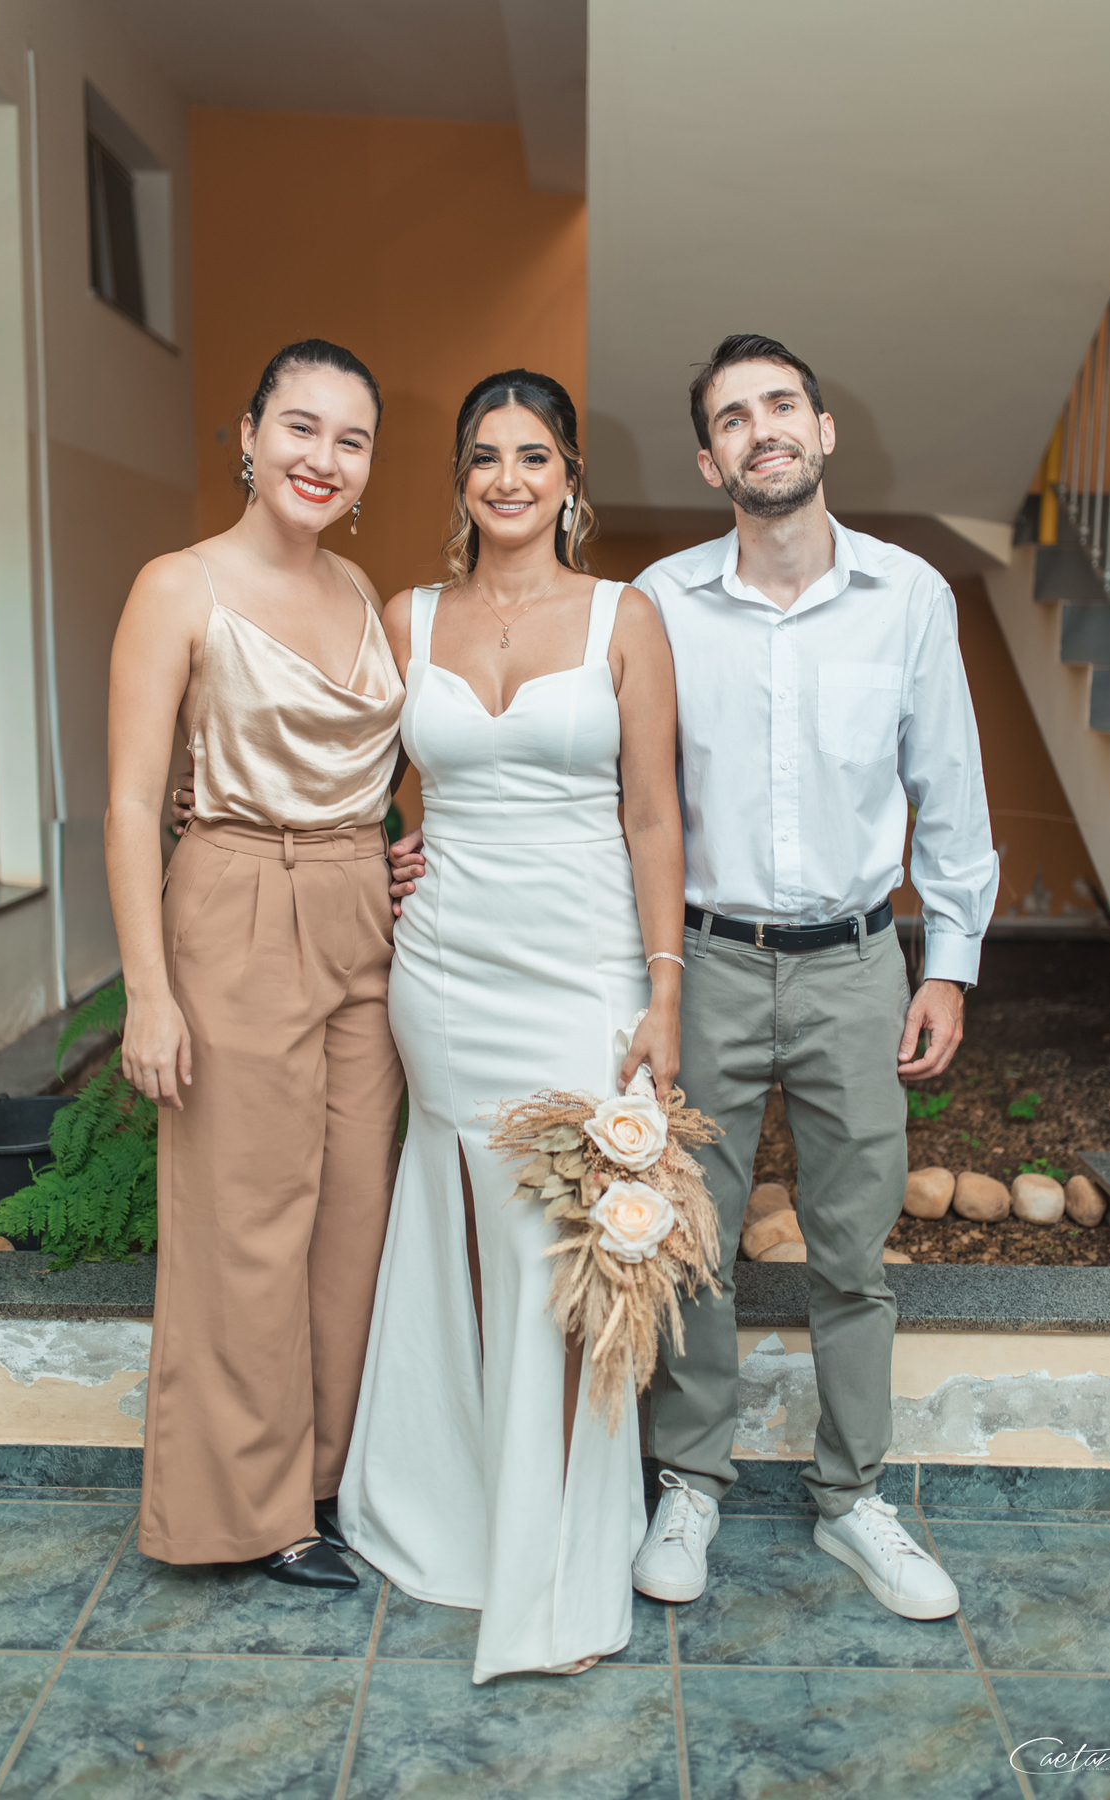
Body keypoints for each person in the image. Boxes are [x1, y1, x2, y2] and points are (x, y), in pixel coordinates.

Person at [624, 334, 998, 1619]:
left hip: (856, 968)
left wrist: (949, 967)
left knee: (853, 1252)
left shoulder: (911, 597)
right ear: (708, 460)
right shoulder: (661, 602)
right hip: (707, 964)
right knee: (690, 1242)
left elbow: (951, 789)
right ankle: (691, 1483)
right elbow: (615, 790)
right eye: (733, 416)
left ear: (824, 431)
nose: (762, 428)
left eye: (782, 404)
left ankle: (853, 1499)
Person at [336, 370, 686, 1682]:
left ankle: (562, 1544)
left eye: (532, 455)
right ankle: (454, 1506)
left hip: (582, 967)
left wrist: (664, 989)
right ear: (462, 478)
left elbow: (653, 813)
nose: (507, 478)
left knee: (565, 1248)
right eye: (484, 456)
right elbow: (353, 779)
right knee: (457, 1226)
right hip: (444, 969)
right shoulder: (407, 615)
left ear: (569, 476)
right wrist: (376, 850)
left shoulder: (625, 618)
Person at [106, 339, 407, 1589]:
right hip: (233, 899)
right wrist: (148, 992)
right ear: (248, 435)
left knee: (352, 1217)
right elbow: (134, 802)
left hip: (359, 912)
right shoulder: (177, 586)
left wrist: (398, 849)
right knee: (243, 1222)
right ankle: (244, 1510)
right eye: (299, 427)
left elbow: (375, 765)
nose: (322, 457)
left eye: (351, 438)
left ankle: (323, 1479)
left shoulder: (362, 590)